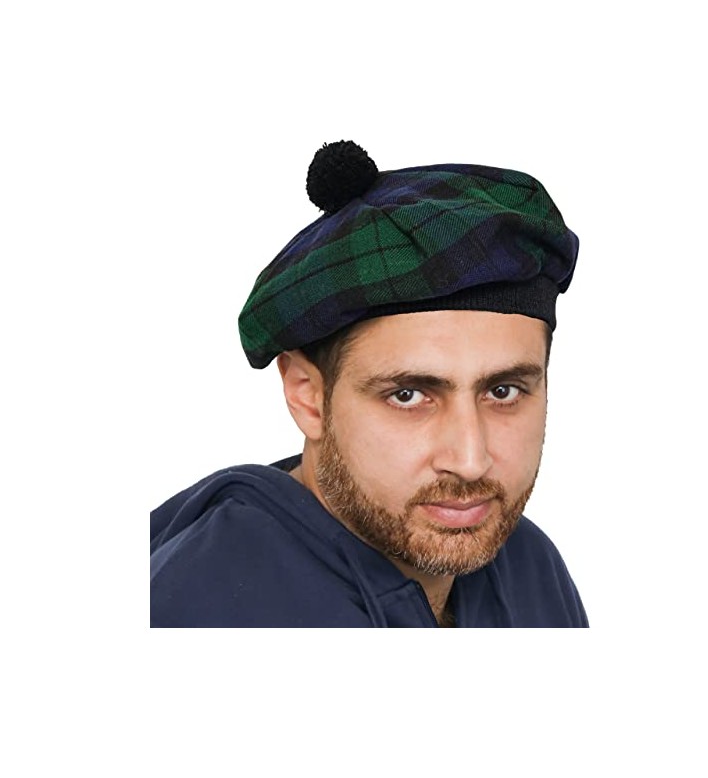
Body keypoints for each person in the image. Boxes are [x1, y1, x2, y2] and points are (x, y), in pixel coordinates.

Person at [150, 140, 588, 627]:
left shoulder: (529, 567)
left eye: (503, 392)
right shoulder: (200, 609)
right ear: (307, 396)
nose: (470, 461)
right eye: (408, 395)